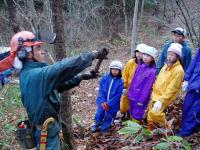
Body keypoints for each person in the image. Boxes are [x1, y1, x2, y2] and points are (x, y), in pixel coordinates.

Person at [1, 31, 106, 149]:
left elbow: (57, 86)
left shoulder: (29, 74)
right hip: (46, 136)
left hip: (46, 132)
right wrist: (92, 55)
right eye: (38, 48)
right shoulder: (36, 75)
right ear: (28, 54)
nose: (42, 51)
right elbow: (62, 67)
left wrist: (80, 77)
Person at [147, 43, 184, 130]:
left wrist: (161, 100)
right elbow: (159, 80)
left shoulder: (179, 71)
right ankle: (150, 131)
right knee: (150, 115)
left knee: (155, 113)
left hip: (165, 97)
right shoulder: (165, 66)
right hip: (156, 94)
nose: (169, 57)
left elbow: (172, 89)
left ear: (177, 57)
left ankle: (167, 127)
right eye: (168, 54)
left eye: (172, 55)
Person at [92, 60, 124, 132]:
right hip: (102, 102)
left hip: (112, 104)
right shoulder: (105, 77)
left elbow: (118, 95)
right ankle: (96, 125)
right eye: (113, 69)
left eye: (117, 70)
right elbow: (101, 90)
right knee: (99, 114)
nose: (115, 71)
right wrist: (103, 101)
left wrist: (109, 103)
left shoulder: (120, 81)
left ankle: (105, 128)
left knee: (109, 116)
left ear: (120, 71)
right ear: (110, 69)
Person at [128, 46, 157, 123]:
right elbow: (134, 80)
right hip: (133, 94)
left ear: (152, 58)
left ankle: (134, 129)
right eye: (144, 54)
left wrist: (142, 100)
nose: (145, 57)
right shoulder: (140, 66)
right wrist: (130, 92)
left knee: (137, 113)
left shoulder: (152, 71)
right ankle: (130, 126)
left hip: (140, 97)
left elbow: (147, 88)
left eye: (148, 55)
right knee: (131, 110)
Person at [120, 44, 147, 120]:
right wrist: (123, 87)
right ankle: (125, 114)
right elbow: (125, 75)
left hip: (138, 91)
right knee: (123, 107)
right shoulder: (130, 62)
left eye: (141, 53)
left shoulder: (145, 66)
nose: (139, 54)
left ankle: (132, 118)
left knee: (135, 108)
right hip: (128, 88)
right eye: (137, 52)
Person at [178, 48, 200, 137]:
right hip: (192, 85)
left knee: (194, 111)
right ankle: (187, 128)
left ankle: (185, 132)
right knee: (186, 107)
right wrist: (186, 79)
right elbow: (193, 64)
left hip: (198, 89)